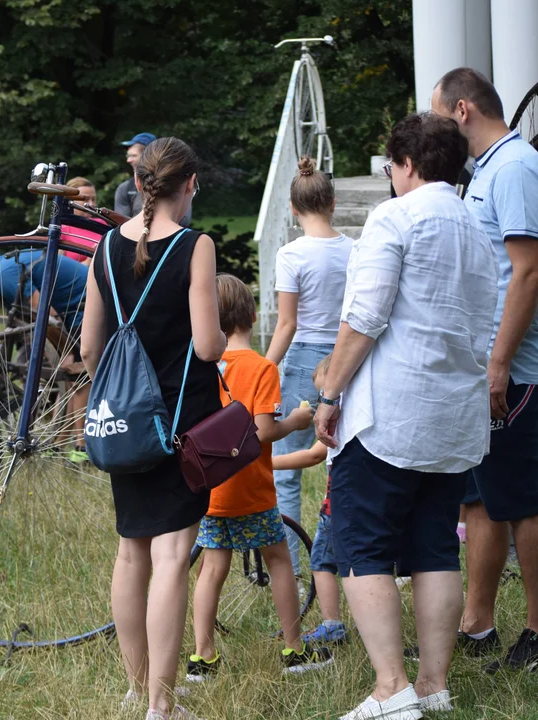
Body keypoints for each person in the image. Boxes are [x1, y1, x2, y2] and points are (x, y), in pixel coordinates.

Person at [313, 113, 498, 719]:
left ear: (409, 164)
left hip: (389, 416)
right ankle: (433, 685)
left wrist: (329, 391)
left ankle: (391, 689)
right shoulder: (475, 225)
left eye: (392, 166)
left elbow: (364, 316)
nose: (391, 177)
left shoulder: (396, 216)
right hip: (452, 418)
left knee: (362, 548)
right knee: (435, 548)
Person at [79, 137, 225, 720]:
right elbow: (211, 344)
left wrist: (119, 390)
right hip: (182, 423)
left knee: (130, 553)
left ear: (139, 184)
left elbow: (90, 347)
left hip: (125, 422)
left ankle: (136, 687)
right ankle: (161, 705)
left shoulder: (105, 248)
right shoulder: (196, 246)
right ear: (187, 185)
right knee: (171, 557)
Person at [432, 67, 538, 675]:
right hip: (481, 366)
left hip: (506, 371)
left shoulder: (514, 170)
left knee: (523, 503)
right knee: (480, 501)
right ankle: (477, 625)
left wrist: (498, 366)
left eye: (437, 116)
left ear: (462, 109)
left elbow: (528, 272)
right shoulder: (486, 170)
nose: (434, 129)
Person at [188, 274, 325, 682]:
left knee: (212, 569)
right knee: (280, 561)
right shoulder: (262, 367)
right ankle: (294, 649)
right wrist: (296, 420)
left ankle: (203, 657)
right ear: (252, 315)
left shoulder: (203, 366)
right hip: (251, 489)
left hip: (211, 488)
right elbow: (263, 431)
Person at [264, 157, 353, 569]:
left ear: (293, 209)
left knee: (286, 472)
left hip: (302, 365)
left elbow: (286, 324)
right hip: (347, 359)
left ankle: (293, 570)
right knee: (357, 465)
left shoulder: (291, 254)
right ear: (332, 203)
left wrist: (263, 370)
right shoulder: (355, 249)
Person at [0, 248, 91, 461]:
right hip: (73, 307)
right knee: (68, 376)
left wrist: (61, 352)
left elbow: (46, 314)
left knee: (80, 376)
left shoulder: (3, 277)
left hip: (85, 304)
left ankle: (80, 447)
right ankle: (57, 442)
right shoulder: (3, 271)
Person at [272, 354, 347, 646]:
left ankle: (332, 625)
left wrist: (268, 463)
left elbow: (314, 455)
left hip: (337, 504)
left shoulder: (336, 420)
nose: (320, 401)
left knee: (321, 561)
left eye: (323, 393)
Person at [113, 133, 192, 226]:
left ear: (148, 157)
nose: (128, 160)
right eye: (128, 156)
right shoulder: (125, 189)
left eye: (133, 155)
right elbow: (119, 222)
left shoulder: (174, 183)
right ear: (137, 182)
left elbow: (184, 220)